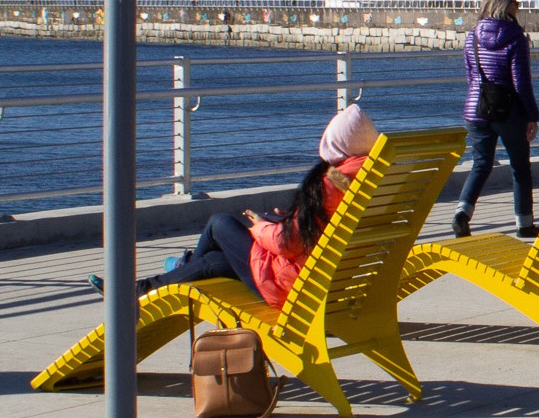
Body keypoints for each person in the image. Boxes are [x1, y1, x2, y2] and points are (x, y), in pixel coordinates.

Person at [92, 105, 379, 305]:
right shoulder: (372, 180)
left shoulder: (332, 185)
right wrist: (292, 218)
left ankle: (176, 271)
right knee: (213, 263)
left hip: (289, 288)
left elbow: (287, 244)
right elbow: (314, 232)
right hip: (330, 288)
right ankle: (147, 286)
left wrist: (260, 226)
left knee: (220, 223)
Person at [454, 0, 539, 239]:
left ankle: (462, 213)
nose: (519, 7)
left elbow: (471, 76)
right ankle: (524, 224)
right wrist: (532, 116)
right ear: (506, 5)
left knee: (481, 164)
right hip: (509, 111)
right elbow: (521, 83)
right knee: (520, 167)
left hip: (476, 108)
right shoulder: (516, 38)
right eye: (516, 3)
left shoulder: (472, 36)